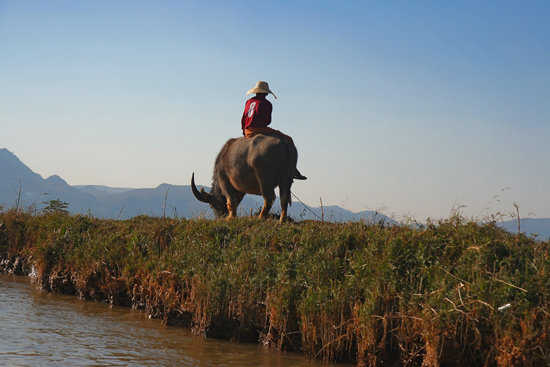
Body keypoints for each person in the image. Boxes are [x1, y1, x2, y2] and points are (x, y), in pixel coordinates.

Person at [241, 81, 307, 180]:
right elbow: (267, 121)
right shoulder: (266, 103)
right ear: (266, 93)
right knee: (289, 139)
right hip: (261, 129)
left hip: (247, 130)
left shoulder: (249, 101)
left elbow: (243, 118)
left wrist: (244, 132)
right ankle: (292, 169)